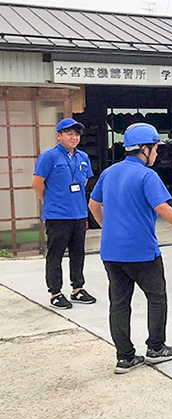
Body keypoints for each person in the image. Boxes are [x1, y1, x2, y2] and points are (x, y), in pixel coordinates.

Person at [88, 123, 172, 375]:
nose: (157, 153)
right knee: (156, 298)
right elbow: (164, 209)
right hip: (142, 252)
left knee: (119, 303)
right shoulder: (147, 176)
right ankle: (156, 348)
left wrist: (109, 229)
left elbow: (93, 205)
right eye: (156, 148)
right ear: (145, 149)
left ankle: (124, 358)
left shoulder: (109, 173)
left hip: (111, 252)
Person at [31, 118, 97, 309]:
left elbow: (84, 181)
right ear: (58, 135)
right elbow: (37, 183)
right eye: (69, 133)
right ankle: (55, 292)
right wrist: (50, 200)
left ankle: (77, 289)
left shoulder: (83, 157)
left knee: (78, 254)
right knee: (56, 255)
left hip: (78, 213)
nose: (73, 137)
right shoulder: (49, 157)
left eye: (76, 134)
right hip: (57, 216)